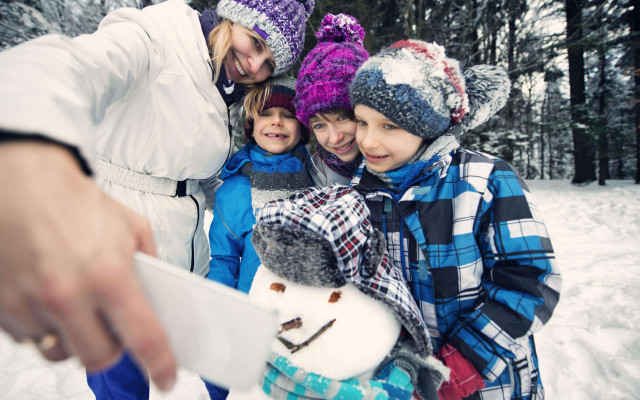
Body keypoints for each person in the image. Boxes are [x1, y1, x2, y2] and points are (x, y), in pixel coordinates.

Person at [0, 0, 314, 398]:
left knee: (220, 361)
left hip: (183, 248)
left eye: (269, 62)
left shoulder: (226, 86)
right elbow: (66, 69)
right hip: (113, 236)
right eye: (254, 42)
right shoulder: (155, 38)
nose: (254, 65)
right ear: (231, 18)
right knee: (120, 374)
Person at [348, 40, 562, 399]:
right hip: (401, 385)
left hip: (489, 383)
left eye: (389, 127)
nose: (368, 140)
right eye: (361, 121)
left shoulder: (485, 182)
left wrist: (459, 367)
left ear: (427, 127)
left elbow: (531, 283)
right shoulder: (360, 193)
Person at [207, 75, 312, 293]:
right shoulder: (235, 189)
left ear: (302, 128)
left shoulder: (316, 180)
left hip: (307, 309)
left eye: (288, 115)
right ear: (251, 125)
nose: (277, 121)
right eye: (266, 114)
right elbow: (224, 259)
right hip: (253, 308)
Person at [294, 13, 369, 187]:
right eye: (319, 125)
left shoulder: (404, 168)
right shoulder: (308, 179)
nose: (335, 138)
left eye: (342, 117)